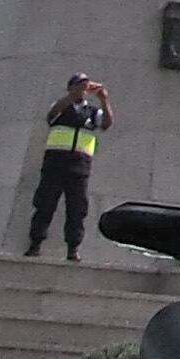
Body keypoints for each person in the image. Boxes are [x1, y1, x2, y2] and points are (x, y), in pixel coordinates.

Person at [25, 72, 108, 258]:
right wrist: (73, 96)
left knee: (77, 209)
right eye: (79, 85)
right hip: (55, 166)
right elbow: (52, 115)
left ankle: (73, 248)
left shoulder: (92, 112)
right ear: (70, 87)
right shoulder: (61, 106)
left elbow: (107, 124)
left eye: (85, 85)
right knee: (45, 205)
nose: (83, 89)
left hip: (79, 168)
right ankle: (35, 243)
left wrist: (103, 99)